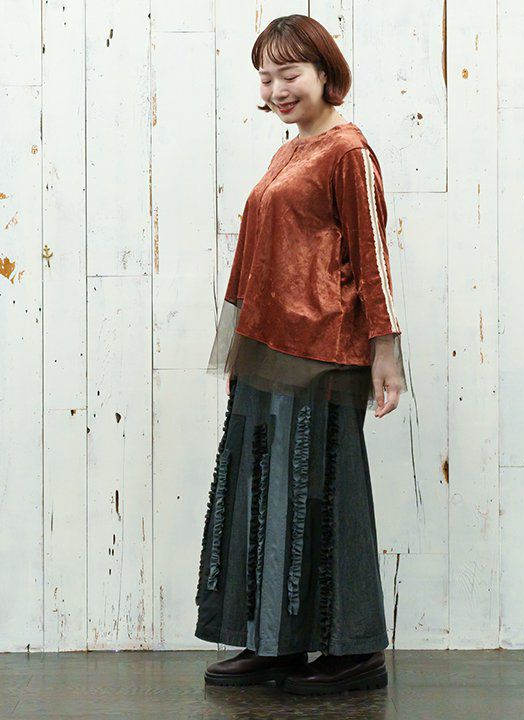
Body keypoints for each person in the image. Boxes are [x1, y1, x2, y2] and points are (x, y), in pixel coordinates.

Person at [195, 14, 408, 696]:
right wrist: (234, 347)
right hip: (265, 350)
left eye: (289, 74)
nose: (277, 89)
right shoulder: (288, 153)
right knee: (263, 491)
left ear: (324, 73)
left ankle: (356, 651)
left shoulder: (348, 151)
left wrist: (386, 351)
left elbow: (372, 258)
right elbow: (253, 257)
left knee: (326, 496)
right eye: (266, 78)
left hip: (324, 349)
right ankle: (275, 643)